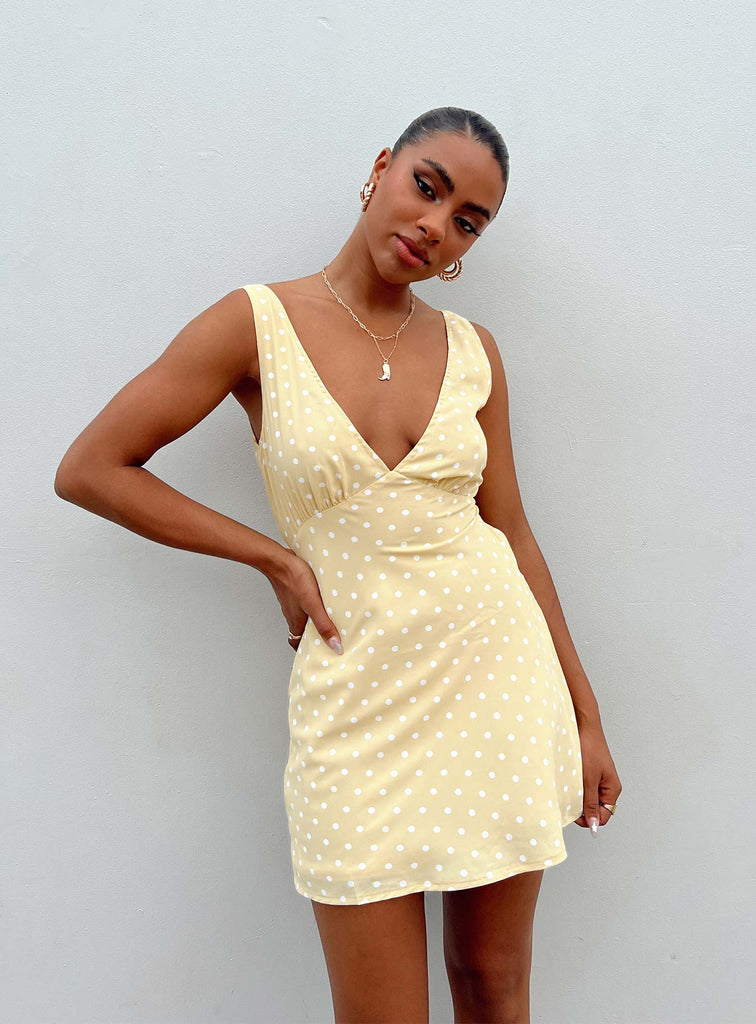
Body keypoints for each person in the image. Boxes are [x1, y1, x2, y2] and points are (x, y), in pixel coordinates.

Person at [55, 106, 622, 1023]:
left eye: (467, 221)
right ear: (382, 168)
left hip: (497, 685)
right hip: (357, 703)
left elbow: (513, 533)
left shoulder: (475, 352)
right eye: (427, 187)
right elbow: (92, 469)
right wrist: (272, 559)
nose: (435, 225)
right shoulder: (255, 323)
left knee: (494, 985)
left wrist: (587, 717)